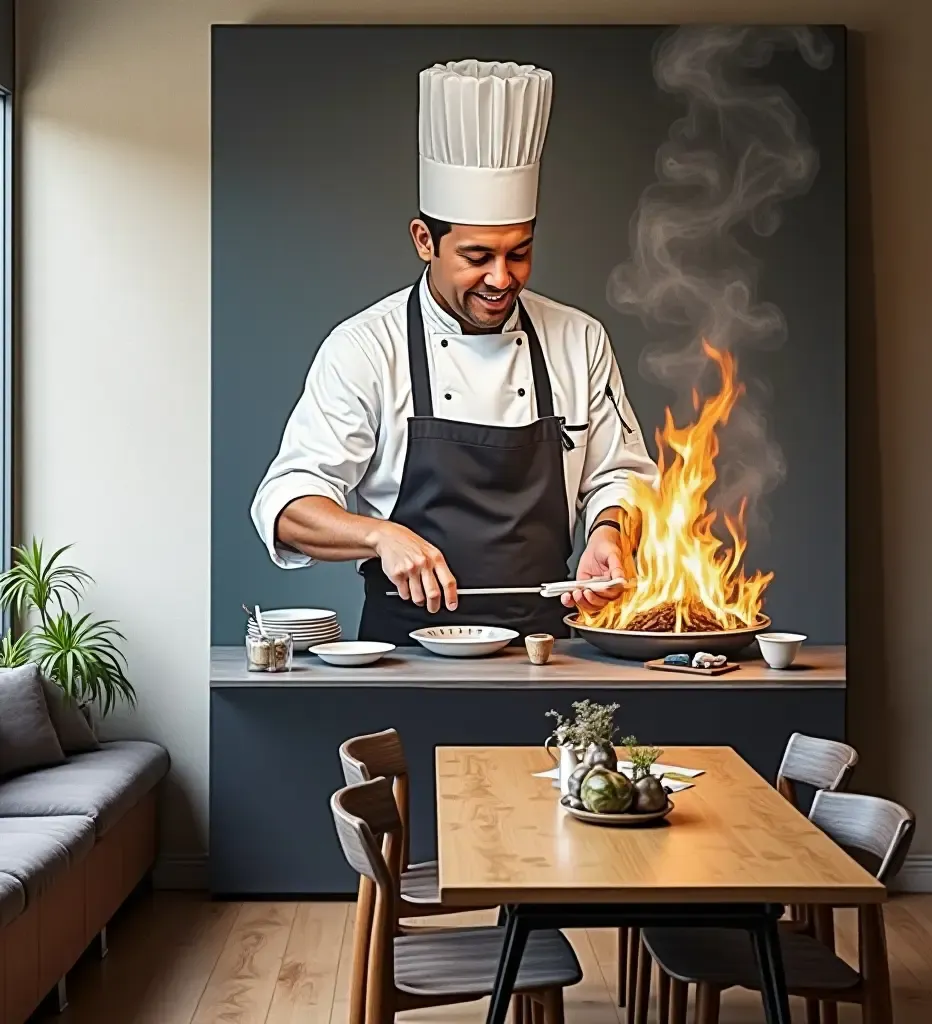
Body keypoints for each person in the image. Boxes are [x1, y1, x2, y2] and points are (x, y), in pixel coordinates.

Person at [251, 58, 658, 646]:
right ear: (425, 240)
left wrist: (609, 533)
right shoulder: (366, 347)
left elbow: (620, 476)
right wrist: (378, 536)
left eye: (519, 252)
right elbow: (287, 503)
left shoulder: (579, 339)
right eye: (476, 257)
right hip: (404, 658)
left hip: (550, 653)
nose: (501, 278)